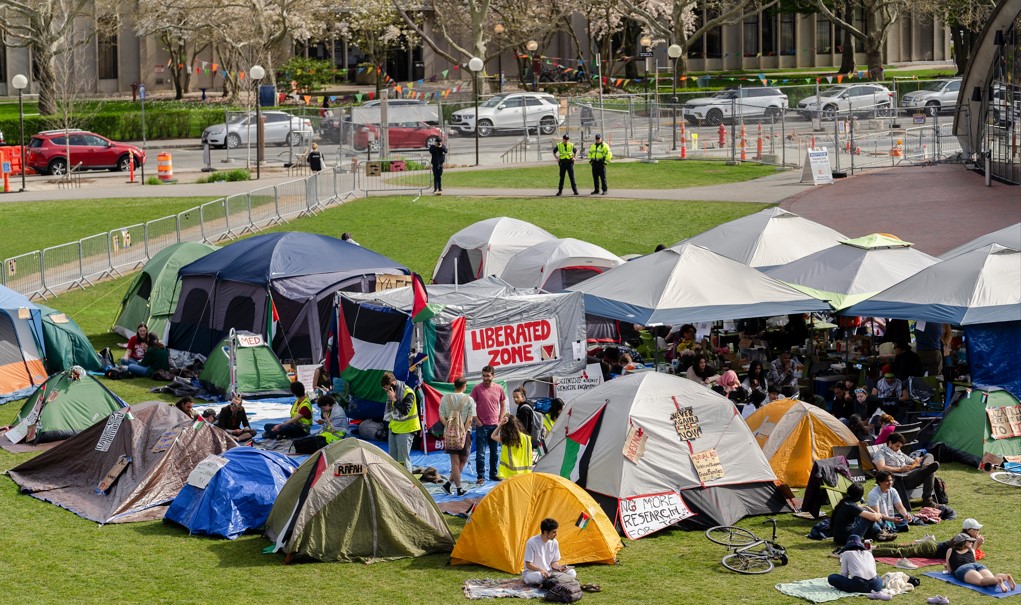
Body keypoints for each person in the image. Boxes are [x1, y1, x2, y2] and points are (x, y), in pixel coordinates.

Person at [872, 431, 942, 508]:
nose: (898, 448)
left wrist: (917, 460)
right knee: (929, 471)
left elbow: (912, 461)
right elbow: (881, 468)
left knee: (928, 456)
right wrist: (900, 469)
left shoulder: (899, 452)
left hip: (910, 473)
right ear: (890, 443)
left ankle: (926, 467)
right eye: (897, 446)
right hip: (901, 479)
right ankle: (927, 500)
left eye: (900, 446)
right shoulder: (881, 453)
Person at [470, 365, 506, 484]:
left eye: (488, 376)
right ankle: (481, 476)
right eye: (483, 376)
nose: (485, 378)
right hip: (482, 426)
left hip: (495, 426)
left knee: (495, 452)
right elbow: (471, 405)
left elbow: (503, 404)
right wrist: (476, 420)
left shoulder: (499, 388)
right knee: (480, 453)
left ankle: (493, 474)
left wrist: (500, 419)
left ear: (493, 376)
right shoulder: (477, 388)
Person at [440, 376, 475, 496]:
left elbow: (441, 416)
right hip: (465, 433)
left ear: (454, 385)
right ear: (464, 386)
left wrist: (449, 428)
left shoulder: (445, 398)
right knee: (463, 460)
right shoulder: (469, 400)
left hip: (449, 434)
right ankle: (459, 488)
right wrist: (463, 432)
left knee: (454, 461)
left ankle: (449, 484)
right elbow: (470, 419)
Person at [945, 532, 1015, 592]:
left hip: (963, 569)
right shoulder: (972, 550)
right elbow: (972, 561)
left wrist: (949, 568)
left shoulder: (950, 550)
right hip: (977, 565)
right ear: (962, 542)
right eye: (969, 541)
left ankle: (998, 579)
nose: (971, 543)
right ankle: (1004, 576)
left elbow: (950, 571)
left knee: (981, 581)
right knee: (990, 580)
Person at [381, 371, 420, 471]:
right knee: (393, 459)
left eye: (387, 388)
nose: (386, 392)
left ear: (393, 384)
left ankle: (408, 484)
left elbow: (405, 411)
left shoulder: (408, 393)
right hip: (394, 428)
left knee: (403, 459)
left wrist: (394, 400)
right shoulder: (393, 393)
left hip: (406, 430)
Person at [522, 518, 577, 586]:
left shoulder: (555, 542)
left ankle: (551, 582)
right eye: (554, 532)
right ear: (545, 532)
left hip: (549, 572)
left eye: (556, 531)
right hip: (533, 573)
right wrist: (541, 570)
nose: (556, 534)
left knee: (572, 572)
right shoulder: (531, 542)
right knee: (538, 576)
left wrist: (559, 567)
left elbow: (554, 562)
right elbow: (528, 564)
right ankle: (557, 582)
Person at [492, 413, 533, 479]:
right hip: (525, 473)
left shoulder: (507, 438)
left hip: (510, 474)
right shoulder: (527, 438)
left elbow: (493, 436)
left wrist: (500, 425)